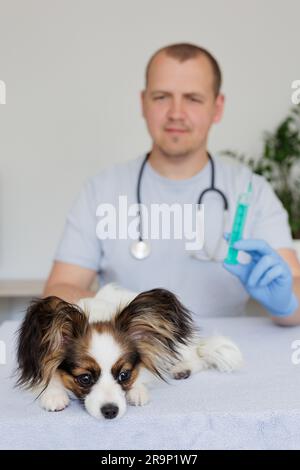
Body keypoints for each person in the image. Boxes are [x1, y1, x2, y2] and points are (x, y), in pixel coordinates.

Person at [43, 43, 300, 325]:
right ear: (143, 103)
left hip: (227, 355)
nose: (176, 113)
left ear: (217, 107)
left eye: (192, 98)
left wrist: (286, 301)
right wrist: (126, 309)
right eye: (162, 97)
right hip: (133, 360)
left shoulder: (252, 193)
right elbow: (57, 292)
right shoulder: (100, 191)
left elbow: (295, 295)